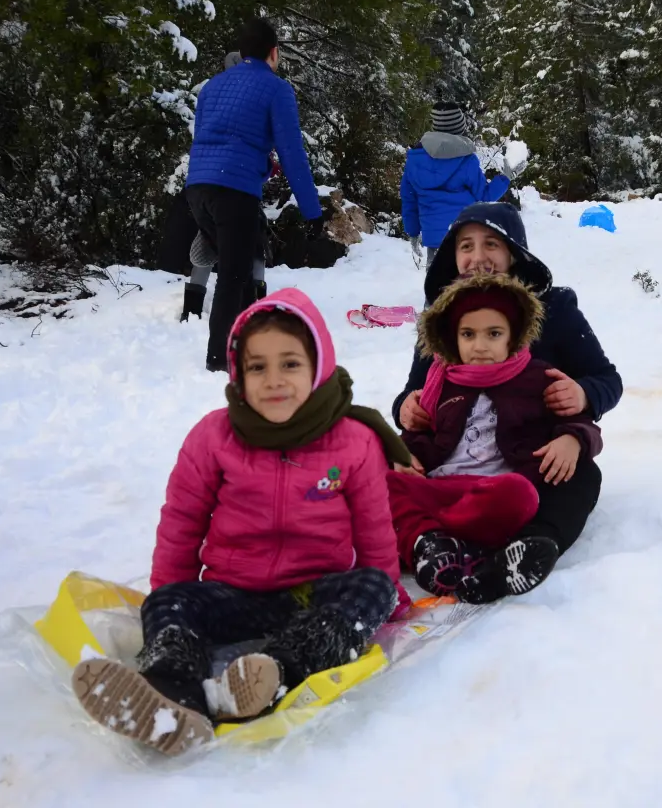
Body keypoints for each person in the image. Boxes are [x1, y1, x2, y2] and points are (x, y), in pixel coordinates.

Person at [72, 289, 414, 756]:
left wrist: (385, 601)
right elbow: (182, 522)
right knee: (168, 600)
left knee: (374, 586)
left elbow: (375, 527)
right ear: (239, 372)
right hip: (234, 594)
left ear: (318, 366)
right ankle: (171, 691)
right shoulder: (214, 436)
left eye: (290, 364)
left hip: (313, 594)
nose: (274, 380)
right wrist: (173, 603)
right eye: (258, 367)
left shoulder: (353, 441)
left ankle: (270, 673)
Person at [392, 202, 620, 572]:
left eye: (491, 245)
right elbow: (413, 393)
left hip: (527, 463)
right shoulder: (442, 318)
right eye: (466, 246)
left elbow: (606, 379)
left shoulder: (555, 309)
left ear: (514, 253)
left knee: (581, 476)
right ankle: (425, 543)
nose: (477, 257)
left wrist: (582, 393)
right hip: (450, 466)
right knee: (379, 474)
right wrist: (406, 408)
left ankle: (533, 547)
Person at [390, 272, 603, 603]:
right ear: (453, 339)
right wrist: (404, 455)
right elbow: (420, 437)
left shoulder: (537, 377)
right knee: (376, 465)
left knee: (518, 494)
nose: (480, 346)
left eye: (493, 334)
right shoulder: (439, 383)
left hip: (494, 494)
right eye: (468, 334)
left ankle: (439, 541)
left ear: (512, 337)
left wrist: (572, 439)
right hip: (441, 488)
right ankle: (429, 543)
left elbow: (581, 421)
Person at [183, 18, 325, 372]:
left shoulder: (212, 87)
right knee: (233, 276)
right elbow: (292, 152)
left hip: (198, 187)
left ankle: (249, 345)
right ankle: (219, 361)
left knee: (241, 269)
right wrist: (312, 211)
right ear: (273, 53)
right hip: (235, 191)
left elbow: (207, 138)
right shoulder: (276, 89)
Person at [400, 102, 510, 267]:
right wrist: (506, 177)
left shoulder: (415, 159)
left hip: (434, 240)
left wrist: (413, 233)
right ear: (459, 127)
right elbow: (484, 196)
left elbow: (409, 200)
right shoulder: (467, 160)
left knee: (438, 287)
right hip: (465, 238)